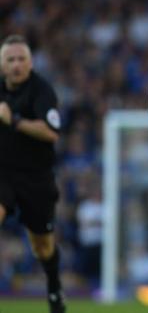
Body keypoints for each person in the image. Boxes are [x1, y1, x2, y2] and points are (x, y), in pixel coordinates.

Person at [0, 35, 65, 313]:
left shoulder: (42, 91)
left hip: (36, 177)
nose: (16, 65)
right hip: (2, 173)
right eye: (10, 59)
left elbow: (51, 133)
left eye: (21, 59)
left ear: (30, 62)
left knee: (42, 247)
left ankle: (53, 287)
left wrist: (13, 120)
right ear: (2, 65)